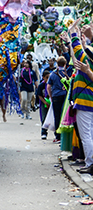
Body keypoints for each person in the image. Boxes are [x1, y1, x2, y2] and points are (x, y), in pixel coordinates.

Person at [68, 21, 93, 174]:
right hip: (88, 101)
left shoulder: (86, 61)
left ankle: (90, 163)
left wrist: (73, 33)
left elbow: (77, 49)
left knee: (86, 135)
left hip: (85, 103)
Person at [47, 55, 69, 144]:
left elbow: (48, 87)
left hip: (56, 96)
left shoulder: (52, 74)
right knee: (64, 116)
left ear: (57, 63)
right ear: (65, 64)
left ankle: (57, 136)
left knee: (57, 116)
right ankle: (64, 136)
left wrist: (51, 96)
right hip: (65, 96)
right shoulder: (68, 72)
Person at [37, 71, 50, 140]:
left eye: (49, 77)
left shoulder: (51, 85)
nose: (48, 79)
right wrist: (45, 102)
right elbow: (39, 95)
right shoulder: (41, 85)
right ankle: (44, 132)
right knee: (44, 118)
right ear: (43, 77)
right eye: (46, 77)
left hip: (51, 103)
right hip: (43, 104)